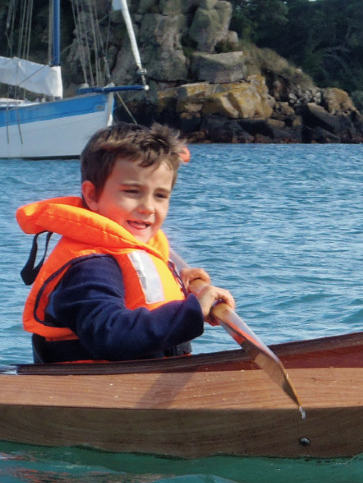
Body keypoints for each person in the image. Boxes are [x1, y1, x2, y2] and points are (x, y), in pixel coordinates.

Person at [16, 123, 234, 364]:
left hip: (141, 379)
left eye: (160, 195)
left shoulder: (125, 249)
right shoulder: (90, 267)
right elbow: (111, 336)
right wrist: (193, 311)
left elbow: (138, 293)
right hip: (96, 390)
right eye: (132, 191)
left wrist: (180, 287)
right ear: (92, 196)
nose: (148, 207)